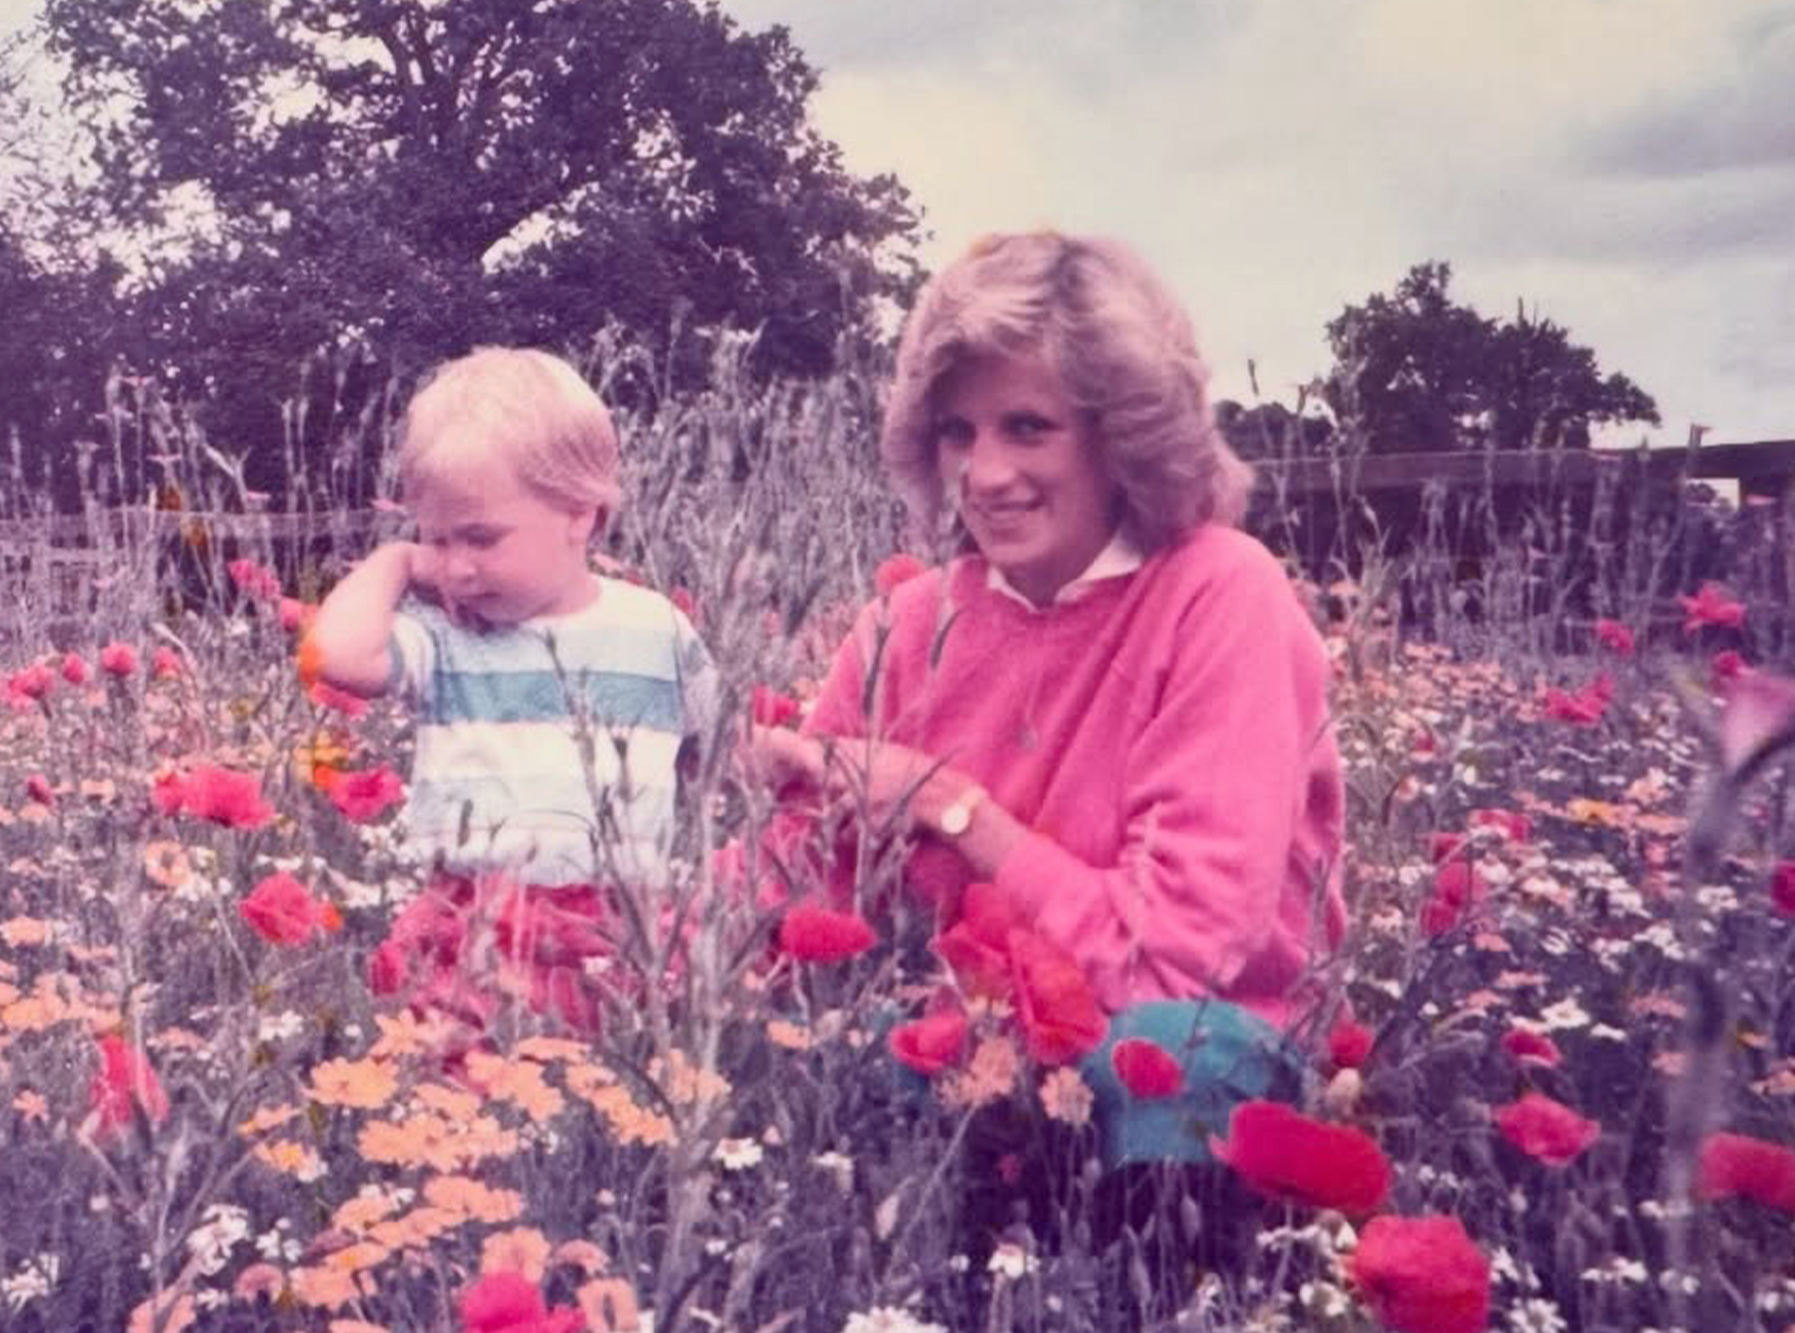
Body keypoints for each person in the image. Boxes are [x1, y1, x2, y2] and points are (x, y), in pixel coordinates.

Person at [747, 231, 1346, 1271]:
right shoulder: (907, 621)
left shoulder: (1218, 592)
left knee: (1156, 1059)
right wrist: (574, 928)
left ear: (1123, 434)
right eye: (955, 432)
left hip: (1182, 1051)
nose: (985, 474)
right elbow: (798, 889)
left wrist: (949, 806)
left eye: (1028, 427)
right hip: (964, 1042)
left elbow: (1173, 959)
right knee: (804, 1070)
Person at [306, 347, 718, 1030]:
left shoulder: (658, 633)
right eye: (437, 538)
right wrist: (398, 561)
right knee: (463, 1112)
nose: (457, 568)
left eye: (480, 537)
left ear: (579, 514)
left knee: (598, 1110)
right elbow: (335, 654)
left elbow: (715, 759)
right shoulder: (444, 638)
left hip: (611, 935)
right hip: (468, 931)